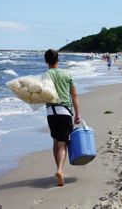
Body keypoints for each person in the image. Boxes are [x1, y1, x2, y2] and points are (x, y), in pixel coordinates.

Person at [44, 49, 81, 186]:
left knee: (55, 141)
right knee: (62, 143)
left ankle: (59, 170)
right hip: (64, 111)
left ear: (46, 61)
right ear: (57, 59)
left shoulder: (45, 75)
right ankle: (60, 170)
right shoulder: (67, 74)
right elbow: (74, 95)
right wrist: (77, 114)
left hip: (50, 112)